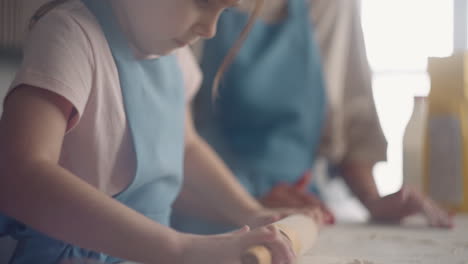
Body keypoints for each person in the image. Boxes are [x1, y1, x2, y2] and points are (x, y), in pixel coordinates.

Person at [0, 0, 323, 263]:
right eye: (202, 3)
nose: (209, 30)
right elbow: (19, 174)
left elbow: (188, 146)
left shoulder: (173, 55)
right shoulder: (72, 35)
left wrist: (250, 211)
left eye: (222, 11)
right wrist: (181, 249)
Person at [172, 0, 453, 234]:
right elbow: (177, 147)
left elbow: (354, 126)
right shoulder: (194, 10)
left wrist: (373, 200)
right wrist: (250, 206)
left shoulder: (332, 6)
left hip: (301, 213)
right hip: (203, 211)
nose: (208, 26)